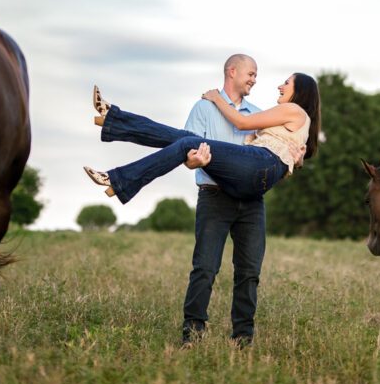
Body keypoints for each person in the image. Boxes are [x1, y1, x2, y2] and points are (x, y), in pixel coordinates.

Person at [84, 60, 321, 346]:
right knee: (187, 143)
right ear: (232, 72)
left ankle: (243, 339)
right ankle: (193, 335)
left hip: (252, 192)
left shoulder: (279, 111)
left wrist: (216, 97)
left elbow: (244, 125)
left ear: (300, 91)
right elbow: (184, 156)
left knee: (249, 272)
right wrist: (195, 159)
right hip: (217, 191)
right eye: (251, 74)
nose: (271, 84)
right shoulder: (204, 110)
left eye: (287, 82)